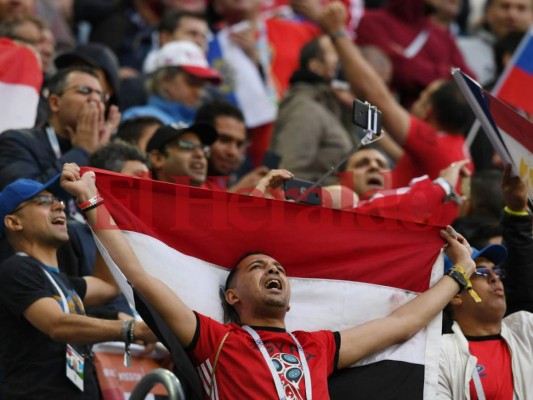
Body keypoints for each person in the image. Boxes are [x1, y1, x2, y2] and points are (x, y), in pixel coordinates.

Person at [60, 161, 476, 399]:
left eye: (277, 268)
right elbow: (140, 275)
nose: (274, 270)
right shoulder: (215, 339)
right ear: (232, 296)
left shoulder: (318, 346)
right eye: (258, 267)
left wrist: (459, 273)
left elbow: (401, 323)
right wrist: (91, 200)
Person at [0, 175, 156, 399]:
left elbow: (108, 285)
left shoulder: (62, 281)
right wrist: (133, 330)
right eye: (44, 201)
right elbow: (58, 325)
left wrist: (100, 212)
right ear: (14, 222)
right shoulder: (15, 270)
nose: (59, 207)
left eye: (60, 202)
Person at [318, 2, 474, 190]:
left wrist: (337, 32)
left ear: (428, 110)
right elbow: (394, 147)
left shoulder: (431, 143)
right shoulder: (453, 148)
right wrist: (358, 107)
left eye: (423, 97)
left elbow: (377, 96)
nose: (417, 101)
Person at [0, 65, 119, 189]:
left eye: (101, 96)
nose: (95, 99)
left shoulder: (104, 148)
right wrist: (82, 151)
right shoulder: (16, 141)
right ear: (55, 103)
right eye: (85, 90)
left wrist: (103, 153)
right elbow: (25, 199)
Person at [271, 35, 353, 185]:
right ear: (315, 66)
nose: (344, 55)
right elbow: (287, 175)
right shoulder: (304, 107)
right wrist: (336, 189)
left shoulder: (333, 107)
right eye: (335, 50)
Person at [122, 40, 222, 125]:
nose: (198, 93)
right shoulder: (139, 119)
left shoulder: (204, 125)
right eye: (192, 83)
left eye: (202, 85)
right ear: (165, 80)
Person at [194, 99, 269, 192]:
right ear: (200, 136)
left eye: (239, 144)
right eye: (224, 140)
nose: (233, 152)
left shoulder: (224, 183)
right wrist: (238, 192)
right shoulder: (180, 178)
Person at [147, 122, 217, 187]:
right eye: (187, 146)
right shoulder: (138, 196)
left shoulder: (217, 198)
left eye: (203, 148)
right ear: (158, 158)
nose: (200, 154)